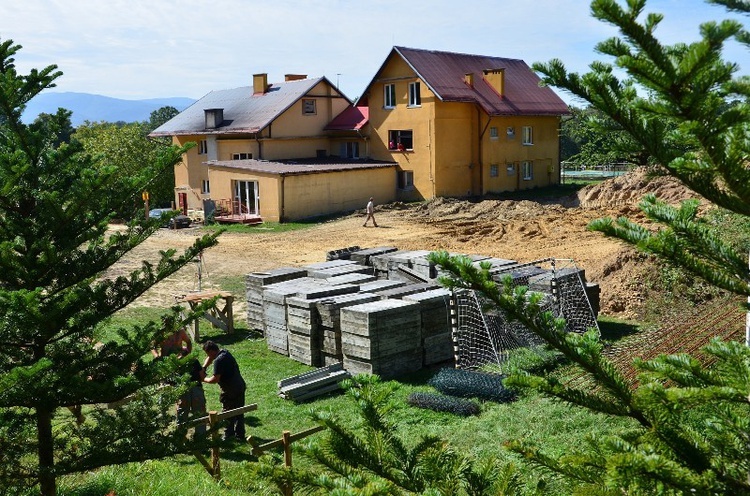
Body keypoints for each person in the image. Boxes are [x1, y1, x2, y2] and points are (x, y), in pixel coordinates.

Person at [201, 340, 247, 441]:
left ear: (212, 351)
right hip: (240, 385)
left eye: (207, 353)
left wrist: (203, 379)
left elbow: (215, 379)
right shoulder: (225, 353)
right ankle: (240, 435)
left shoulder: (218, 360)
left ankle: (228, 435)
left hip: (230, 389)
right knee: (239, 411)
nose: (208, 356)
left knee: (227, 412)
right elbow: (210, 358)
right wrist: (204, 367)